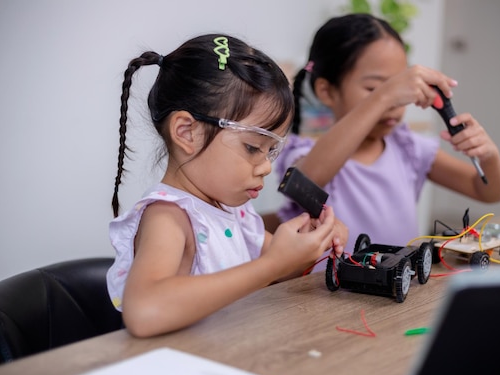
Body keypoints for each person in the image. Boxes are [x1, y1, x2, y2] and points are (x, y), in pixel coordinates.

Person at [107, 34, 347, 338]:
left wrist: (311, 244)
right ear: (187, 132)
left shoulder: (235, 212)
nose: (266, 166)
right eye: (252, 148)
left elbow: (285, 268)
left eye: (271, 150)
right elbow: (143, 312)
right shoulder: (169, 217)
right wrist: (271, 266)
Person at [271, 13, 500, 253]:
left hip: (399, 285)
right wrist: (385, 95)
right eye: (374, 88)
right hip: (323, 291)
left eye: (398, 88)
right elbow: (304, 182)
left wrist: (488, 155)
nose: (394, 102)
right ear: (327, 91)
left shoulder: (408, 148)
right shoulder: (307, 153)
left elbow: (487, 191)